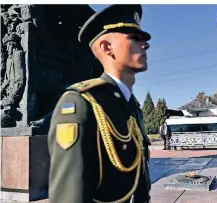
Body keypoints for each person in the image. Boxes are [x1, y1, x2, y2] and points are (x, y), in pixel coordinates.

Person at [47, 5, 152, 203]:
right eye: (135, 38)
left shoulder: (132, 106)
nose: (146, 44)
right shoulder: (81, 102)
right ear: (106, 47)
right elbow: (71, 196)